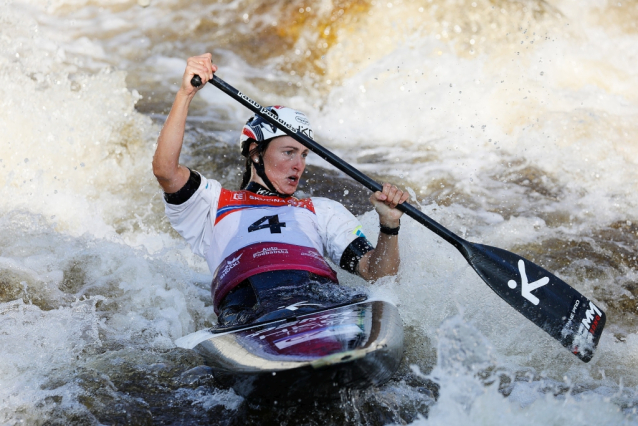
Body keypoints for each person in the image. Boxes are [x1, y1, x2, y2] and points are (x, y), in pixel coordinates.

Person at [152, 53, 409, 326]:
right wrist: (185, 94)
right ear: (255, 153)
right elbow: (165, 170)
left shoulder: (321, 210)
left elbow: (379, 276)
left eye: (304, 155)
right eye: (288, 152)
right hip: (250, 308)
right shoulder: (213, 203)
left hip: (322, 298)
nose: (298, 165)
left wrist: (389, 226)